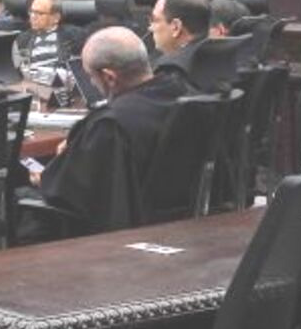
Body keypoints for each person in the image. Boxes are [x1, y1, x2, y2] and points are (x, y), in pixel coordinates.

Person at [25, 26, 191, 235]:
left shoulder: (109, 124)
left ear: (109, 77)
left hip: (118, 235)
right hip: (180, 220)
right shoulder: (182, 94)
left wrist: (47, 176)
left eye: (91, 77)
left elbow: (72, 195)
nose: (92, 83)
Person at [15, 0, 82, 91]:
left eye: (39, 13)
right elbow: (16, 72)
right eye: (31, 12)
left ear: (56, 18)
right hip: (31, 89)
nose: (33, 16)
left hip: (61, 89)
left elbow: (79, 73)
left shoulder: (74, 36)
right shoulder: (22, 39)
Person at [147, 0, 210, 83]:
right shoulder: (224, 58)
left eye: (155, 20)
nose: (150, 28)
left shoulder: (169, 71)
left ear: (176, 27)